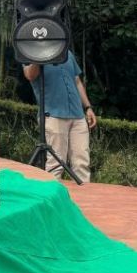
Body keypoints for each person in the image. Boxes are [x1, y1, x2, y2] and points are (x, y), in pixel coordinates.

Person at [23, 50, 96, 182]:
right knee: (56, 164)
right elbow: (30, 75)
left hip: (77, 114)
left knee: (82, 163)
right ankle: (53, 200)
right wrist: (38, 55)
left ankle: (83, 200)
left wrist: (88, 107)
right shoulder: (30, 50)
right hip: (53, 115)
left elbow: (77, 81)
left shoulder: (67, 53)